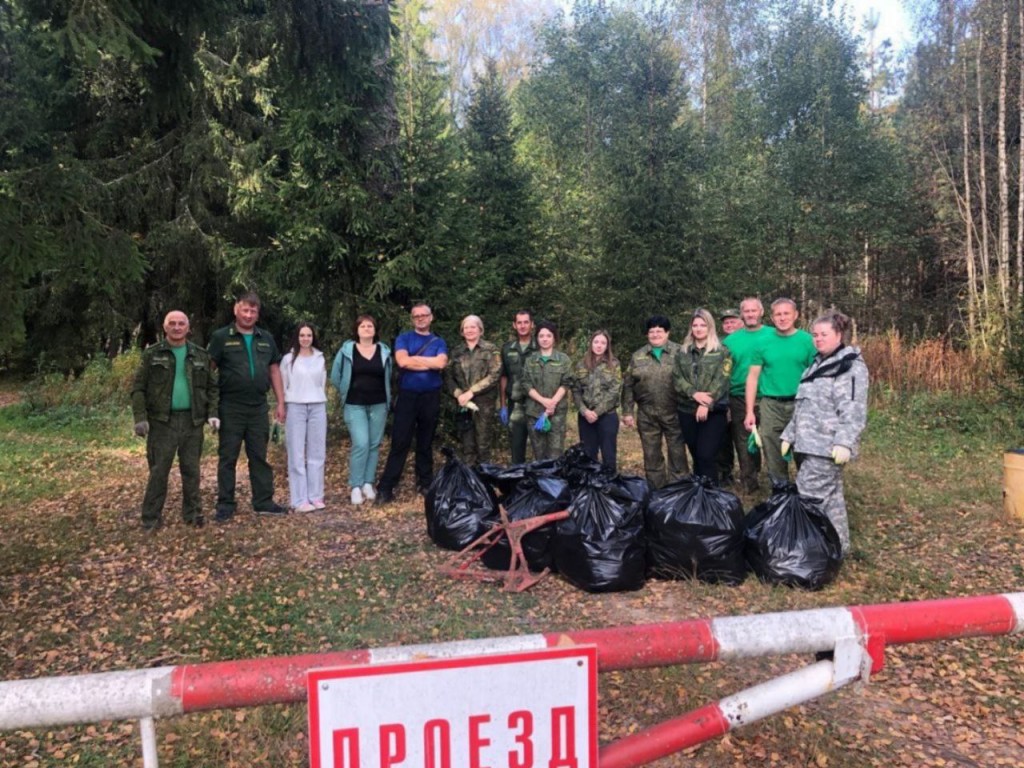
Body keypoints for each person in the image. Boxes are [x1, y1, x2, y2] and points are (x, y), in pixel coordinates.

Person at [780, 311, 868, 555]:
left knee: (807, 498)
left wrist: (845, 442)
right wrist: (789, 435)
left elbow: (853, 409)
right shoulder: (816, 364)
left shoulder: (848, 367)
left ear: (839, 335)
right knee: (832, 500)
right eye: (815, 335)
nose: (818, 339)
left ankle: (805, 553)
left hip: (827, 447)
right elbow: (803, 406)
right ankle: (838, 548)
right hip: (808, 444)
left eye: (824, 334)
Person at [131, 311, 219, 530]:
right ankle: (150, 519)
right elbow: (138, 388)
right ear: (165, 327)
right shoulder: (152, 354)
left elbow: (212, 387)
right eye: (172, 324)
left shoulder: (200, 355)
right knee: (159, 471)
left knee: (192, 470)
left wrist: (213, 413)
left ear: (188, 328)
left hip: (193, 421)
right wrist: (140, 418)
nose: (177, 327)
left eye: (181, 324)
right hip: (162, 422)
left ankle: (193, 514)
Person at [207, 291, 287, 522]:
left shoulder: (266, 338)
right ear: (236, 309)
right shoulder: (222, 337)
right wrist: (209, 405)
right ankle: (225, 504)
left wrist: (280, 402)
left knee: (259, 456)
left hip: (258, 407)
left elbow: (274, 370)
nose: (249, 314)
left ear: (257, 313)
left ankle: (263, 501)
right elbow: (208, 369)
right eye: (245, 309)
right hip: (230, 407)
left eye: (253, 311)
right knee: (228, 457)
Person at [375, 303, 448, 504]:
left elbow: (441, 363)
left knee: (425, 442)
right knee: (400, 442)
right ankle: (386, 487)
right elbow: (402, 362)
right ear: (412, 319)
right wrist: (427, 362)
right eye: (417, 316)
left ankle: (425, 483)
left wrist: (414, 358)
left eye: (424, 315)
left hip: (431, 396)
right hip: (408, 396)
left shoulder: (439, 341)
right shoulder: (404, 338)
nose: (421, 318)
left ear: (431, 317)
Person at [743, 298, 817, 484]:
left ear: (796, 315)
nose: (782, 318)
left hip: (801, 404)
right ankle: (780, 490)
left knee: (804, 448)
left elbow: (817, 377)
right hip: (770, 404)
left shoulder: (808, 341)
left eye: (786, 314)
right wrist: (750, 411)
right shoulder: (762, 343)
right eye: (778, 314)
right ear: (772, 317)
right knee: (772, 447)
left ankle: (807, 490)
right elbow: (752, 378)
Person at [331, 314, 393, 506]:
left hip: (379, 404)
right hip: (354, 404)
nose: (367, 329)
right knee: (361, 443)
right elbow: (335, 375)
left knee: (374, 445)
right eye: (363, 326)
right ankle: (356, 486)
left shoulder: (384, 351)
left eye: (370, 326)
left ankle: (368, 483)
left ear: (375, 330)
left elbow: (388, 376)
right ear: (356, 330)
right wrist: (344, 391)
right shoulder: (347, 350)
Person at [622, 315, 690, 489]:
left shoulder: (680, 352)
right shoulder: (638, 356)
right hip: (647, 414)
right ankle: (657, 490)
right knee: (651, 454)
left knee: (678, 453)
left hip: (674, 411)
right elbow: (628, 385)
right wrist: (628, 412)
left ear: (667, 333)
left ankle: (678, 488)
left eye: (659, 331)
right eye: (652, 331)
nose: (655, 334)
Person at [674, 309, 733, 484]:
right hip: (687, 410)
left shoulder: (722, 351)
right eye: (695, 325)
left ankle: (711, 495)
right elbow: (677, 379)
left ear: (710, 327)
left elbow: (722, 379)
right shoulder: (682, 352)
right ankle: (698, 494)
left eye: (703, 325)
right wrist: (694, 393)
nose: (699, 329)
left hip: (714, 411)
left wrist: (706, 403)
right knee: (696, 455)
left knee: (706, 454)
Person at [723, 298, 774, 492]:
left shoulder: (774, 335)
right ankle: (749, 483)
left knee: (771, 440)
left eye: (754, 311)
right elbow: (724, 372)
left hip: (769, 396)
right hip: (739, 396)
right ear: (741, 315)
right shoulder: (730, 341)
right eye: (747, 311)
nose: (751, 314)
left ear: (761, 312)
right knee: (743, 441)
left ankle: (776, 481)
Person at [280, 322, 327, 512]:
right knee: (297, 454)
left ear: (313, 337)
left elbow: (322, 384)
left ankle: (316, 496)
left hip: (317, 405)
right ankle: (299, 500)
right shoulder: (288, 359)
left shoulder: (320, 358)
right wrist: (283, 406)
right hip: (295, 406)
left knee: (317, 453)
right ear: (297, 337)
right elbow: (284, 386)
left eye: (309, 335)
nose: (305, 339)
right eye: (302, 335)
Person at [446, 315, 502, 465]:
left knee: (483, 442)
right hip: (463, 403)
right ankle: (469, 477)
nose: (469, 330)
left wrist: (472, 392)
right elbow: (448, 376)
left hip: (484, 403)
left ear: (480, 330)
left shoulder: (491, 349)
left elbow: (494, 374)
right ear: (462, 331)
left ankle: (484, 477)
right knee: (466, 443)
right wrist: (458, 394)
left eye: (473, 327)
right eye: (466, 327)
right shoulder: (456, 351)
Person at [572, 329, 622, 471]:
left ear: (607, 346)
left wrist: (597, 412)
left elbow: (614, 391)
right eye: (596, 342)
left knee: (609, 456)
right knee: (588, 456)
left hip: (607, 416)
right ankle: (590, 489)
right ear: (591, 343)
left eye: (603, 343)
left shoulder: (614, 364)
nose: (599, 345)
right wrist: (584, 411)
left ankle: (609, 488)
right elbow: (576, 390)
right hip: (585, 416)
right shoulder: (581, 364)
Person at [523, 321, 573, 460]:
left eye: (548, 336)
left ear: (554, 338)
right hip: (535, 413)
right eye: (541, 336)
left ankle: (554, 481)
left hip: (556, 414)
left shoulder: (563, 359)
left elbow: (567, 382)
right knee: (539, 455)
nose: (545, 339)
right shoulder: (530, 360)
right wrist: (543, 401)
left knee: (555, 455)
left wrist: (552, 403)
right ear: (537, 338)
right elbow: (526, 384)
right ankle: (541, 481)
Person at [499, 310, 539, 464]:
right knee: (516, 451)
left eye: (526, 322)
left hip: (536, 405)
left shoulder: (540, 347)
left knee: (540, 452)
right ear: (514, 325)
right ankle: (518, 485)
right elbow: (503, 377)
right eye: (519, 323)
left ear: (532, 324)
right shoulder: (507, 348)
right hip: (515, 406)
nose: (522, 326)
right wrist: (502, 405)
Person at [714, 308, 742, 486]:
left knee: (742, 437)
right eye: (726, 322)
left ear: (741, 322)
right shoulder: (718, 343)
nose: (729, 324)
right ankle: (724, 472)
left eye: (733, 321)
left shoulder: (747, 340)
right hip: (721, 395)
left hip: (741, 394)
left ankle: (749, 473)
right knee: (723, 437)